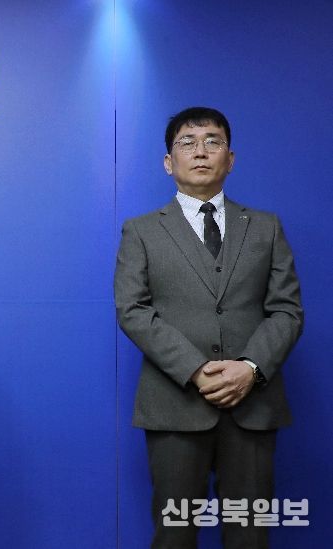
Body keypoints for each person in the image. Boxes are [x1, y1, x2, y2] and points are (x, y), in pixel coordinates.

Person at [114, 107, 303, 548]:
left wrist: (250, 368)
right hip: (174, 406)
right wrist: (197, 370)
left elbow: (287, 310)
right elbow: (133, 310)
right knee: (175, 534)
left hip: (252, 406)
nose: (200, 152)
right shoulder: (141, 231)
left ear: (230, 159)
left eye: (213, 141)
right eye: (187, 142)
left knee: (250, 534)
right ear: (169, 162)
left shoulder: (266, 227)